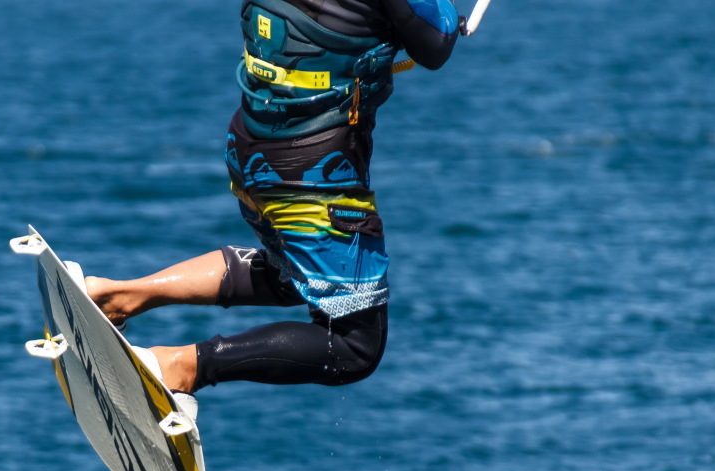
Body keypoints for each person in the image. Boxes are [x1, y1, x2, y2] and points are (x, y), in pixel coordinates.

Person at [84, 0, 459, 408]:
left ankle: (117, 296)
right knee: (355, 347)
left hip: (252, 150)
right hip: (312, 175)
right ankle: (181, 366)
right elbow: (436, 43)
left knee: (293, 274)